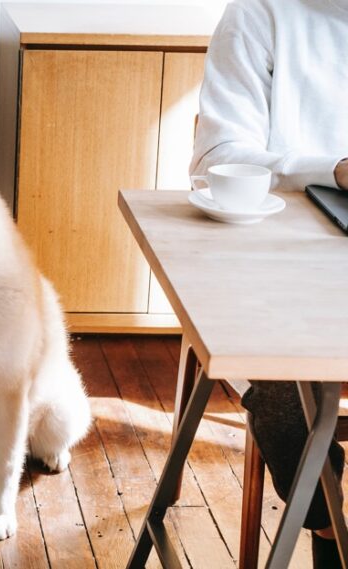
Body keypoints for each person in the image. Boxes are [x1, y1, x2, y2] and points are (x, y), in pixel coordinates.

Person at [191, 0, 348, 566]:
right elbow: (217, 156)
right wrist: (334, 169)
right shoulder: (262, 13)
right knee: (292, 400)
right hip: (282, 272)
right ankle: (330, 533)